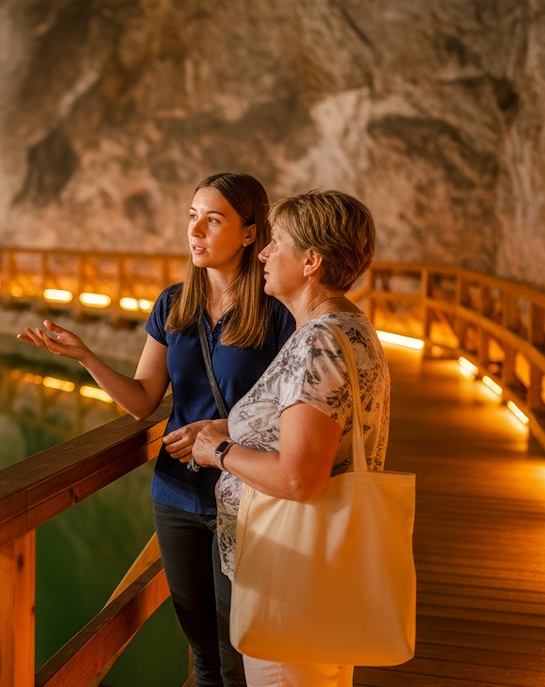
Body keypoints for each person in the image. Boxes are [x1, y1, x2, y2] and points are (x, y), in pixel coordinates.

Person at [18, 173, 295, 687]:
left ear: (250, 234)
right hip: (176, 495)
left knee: (239, 650)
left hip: (245, 493)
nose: (197, 230)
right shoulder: (174, 305)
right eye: (192, 217)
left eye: (214, 220)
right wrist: (85, 356)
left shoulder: (276, 312)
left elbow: (291, 410)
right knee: (203, 654)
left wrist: (225, 429)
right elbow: (143, 402)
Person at [191, 190, 391, 687]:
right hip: (324, 566)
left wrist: (217, 451)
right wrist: (235, 427)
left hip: (291, 572)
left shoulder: (318, 342)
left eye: (274, 242)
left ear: (310, 261)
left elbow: (299, 477)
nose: (261, 252)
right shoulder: (352, 327)